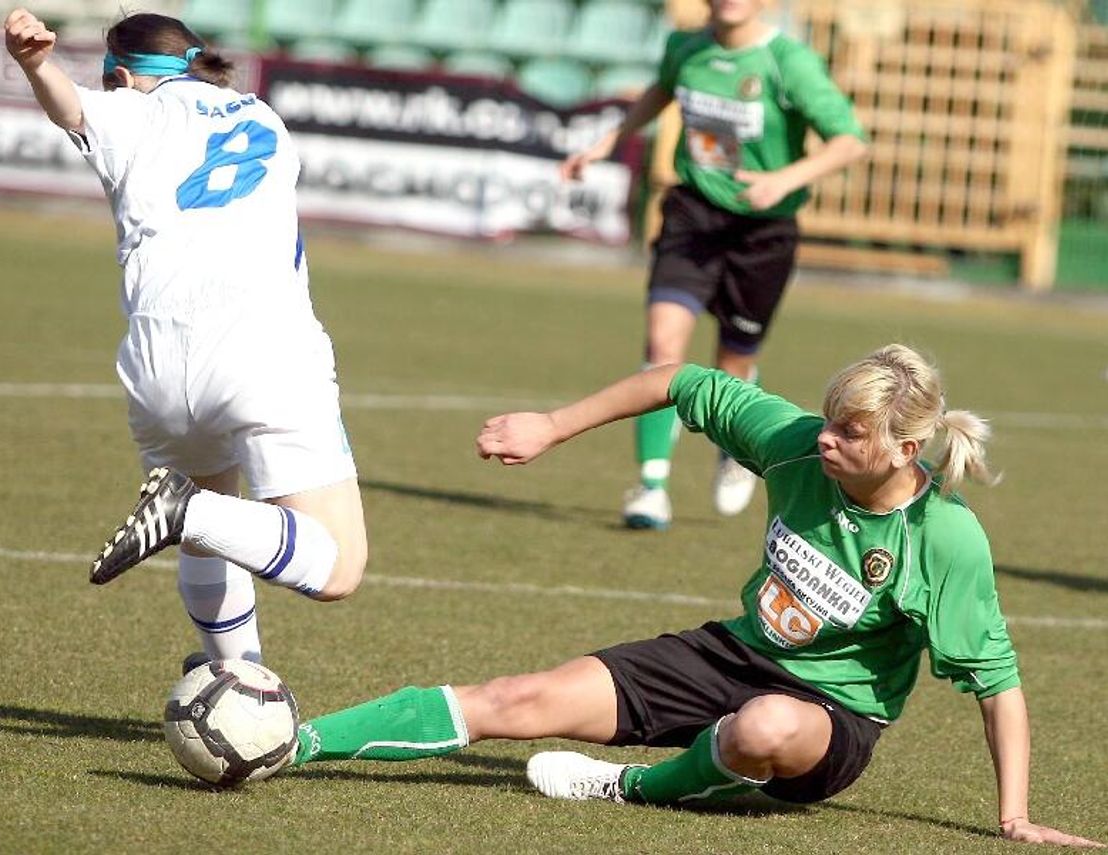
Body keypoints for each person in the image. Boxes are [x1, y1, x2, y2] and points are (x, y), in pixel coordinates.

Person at [283, 345, 1102, 848]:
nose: (824, 436)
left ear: (906, 446)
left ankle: (633, 784)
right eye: (828, 419)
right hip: (733, 653)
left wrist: (1013, 816)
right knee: (516, 697)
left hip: (830, 720)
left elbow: (997, 683)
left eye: (849, 432)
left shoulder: (946, 539)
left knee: (764, 725)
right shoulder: (793, 449)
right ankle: (295, 741)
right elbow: (682, 379)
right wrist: (552, 425)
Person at [4, 9, 368, 670]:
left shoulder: (126, 116)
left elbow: (71, 110)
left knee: (210, 529)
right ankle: (186, 509)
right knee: (336, 563)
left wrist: (35, 65)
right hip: (265, 350)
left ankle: (237, 677)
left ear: (117, 75)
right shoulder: (263, 116)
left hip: (155, 365)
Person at [561, 0, 868, 530]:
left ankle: (733, 448)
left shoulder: (787, 62)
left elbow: (848, 141)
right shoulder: (686, 46)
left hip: (762, 231)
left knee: (734, 361)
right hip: (693, 216)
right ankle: (650, 486)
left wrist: (785, 180)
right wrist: (609, 141)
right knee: (662, 347)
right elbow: (662, 88)